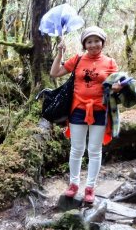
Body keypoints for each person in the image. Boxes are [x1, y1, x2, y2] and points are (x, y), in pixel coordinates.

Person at [49, 26, 121, 205]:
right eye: (89, 41)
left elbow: (117, 85)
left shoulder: (110, 62)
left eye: (97, 41)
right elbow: (54, 73)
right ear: (84, 44)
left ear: (102, 42)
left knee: (94, 150)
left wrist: (117, 87)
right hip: (78, 110)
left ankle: (90, 187)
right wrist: (60, 53)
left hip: (99, 110)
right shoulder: (78, 59)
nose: (93, 44)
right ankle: (73, 184)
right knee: (76, 149)